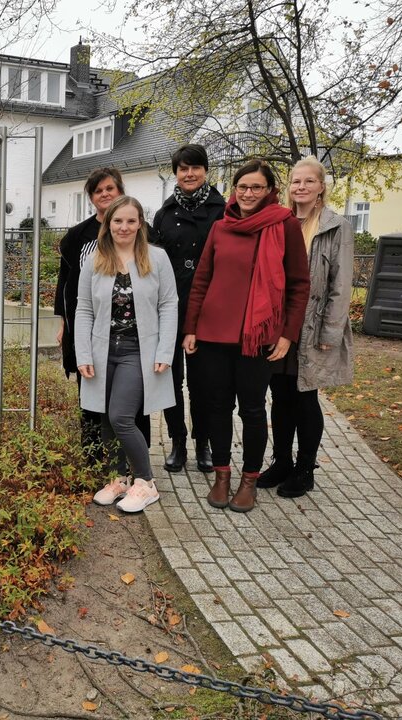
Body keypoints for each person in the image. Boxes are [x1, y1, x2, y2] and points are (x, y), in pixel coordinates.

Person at [182, 159, 310, 513]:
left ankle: (249, 479)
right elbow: (202, 280)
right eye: (242, 187)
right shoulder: (221, 228)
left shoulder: (284, 226)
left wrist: (287, 335)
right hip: (212, 335)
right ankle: (222, 475)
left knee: (253, 410)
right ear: (234, 190)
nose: (248, 193)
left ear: (270, 190)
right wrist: (190, 328)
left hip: (257, 338)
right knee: (217, 408)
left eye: (256, 187)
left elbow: (300, 285)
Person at [257, 156, 354, 498]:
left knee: (305, 396)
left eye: (308, 181)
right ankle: (282, 461)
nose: (301, 187)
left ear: (321, 186)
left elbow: (341, 285)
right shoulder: (279, 221)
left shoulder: (335, 225)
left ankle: (305, 468)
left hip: (311, 327)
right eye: (296, 182)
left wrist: (330, 332)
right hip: (278, 323)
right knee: (279, 395)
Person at [75, 196, 178, 513]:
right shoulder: (96, 259)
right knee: (106, 415)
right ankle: (119, 478)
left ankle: (145, 483)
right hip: (103, 348)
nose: (124, 227)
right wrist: (83, 354)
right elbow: (83, 308)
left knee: (121, 415)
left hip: (139, 350)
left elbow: (169, 305)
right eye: (118, 221)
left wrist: (165, 350)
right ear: (108, 224)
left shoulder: (156, 258)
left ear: (140, 224)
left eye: (131, 221)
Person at [54, 168, 151, 473]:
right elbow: (66, 282)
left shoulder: (142, 232)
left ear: (120, 190)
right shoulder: (78, 237)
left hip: (130, 335)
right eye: (99, 191)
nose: (106, 195)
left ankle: (136, 461)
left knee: (130, 402)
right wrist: (63, 323)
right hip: (90, 330)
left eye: (111, 188)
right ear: (92, 198)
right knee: (91, 394)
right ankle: (95, 458)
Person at [151, 144, 225, 473]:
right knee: (170, 381)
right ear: (175, 173)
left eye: (195, 167)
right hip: (170, 310)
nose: (189, 174)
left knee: (203, 384)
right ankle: (178, 442)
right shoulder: (165, 214)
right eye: (183, 168)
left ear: (205, 170)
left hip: (209, 312)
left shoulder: (222, 210)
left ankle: (204, 443)